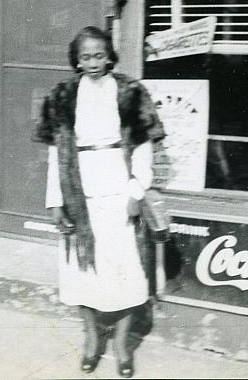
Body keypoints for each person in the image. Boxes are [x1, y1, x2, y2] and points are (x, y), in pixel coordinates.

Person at [33, 26, 165, 378]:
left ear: (110, 55)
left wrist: (136, 192)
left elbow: (143, 149)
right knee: (81, 270)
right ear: (76, 60)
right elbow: (53, 155)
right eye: (85, 56)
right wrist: (55, 201)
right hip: (78, 188)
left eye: (99, 55)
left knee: (125, 269)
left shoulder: (130, 92)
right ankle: (91, 336)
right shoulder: (61, 96)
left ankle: (122, 344)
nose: (93, 62)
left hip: (118, 186)